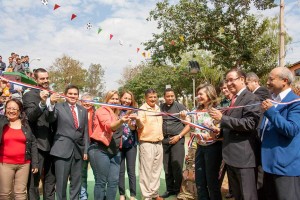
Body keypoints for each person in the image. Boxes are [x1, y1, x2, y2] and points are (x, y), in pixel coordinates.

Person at [209, 68, 261, 200]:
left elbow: (250, 123)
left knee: (247, 195)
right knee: (238, 195)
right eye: (227, 81)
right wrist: (219, 132)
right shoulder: (234, 100)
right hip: (231, 157)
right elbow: (232, 124)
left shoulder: (251, 98)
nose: (228, 84)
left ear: (242, 80)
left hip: (244, 158)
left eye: (231, 80)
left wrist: (222, 118)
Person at [260, 67, 300, 200]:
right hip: (269, 164)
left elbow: (291, 129)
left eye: (271, 79)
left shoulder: (295, 102)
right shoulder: (272, 100)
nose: (267, 82)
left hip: (285, 167)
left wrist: (271, 112)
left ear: (284, 81)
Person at [88, 90, 135, 200]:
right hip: (100, 149)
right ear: (107, 100)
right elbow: (109, 127)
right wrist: (121, 121)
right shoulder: (101, 110)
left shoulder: (117, 113)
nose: (115, 101)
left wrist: (125, 117)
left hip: (115, 151)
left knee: (113, 182)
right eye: (112, 98)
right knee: (101, 182)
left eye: (116, 99)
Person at [46, 85, 89, 200]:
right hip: (62, 151)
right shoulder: (58, 107)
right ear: (65, 95)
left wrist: (85, 149)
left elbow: (85, 132)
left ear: (78, 96)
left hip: (78, 152)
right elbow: (51, 118)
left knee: (76, 183)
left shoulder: (83, 110)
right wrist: (51, 103)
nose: (73, 96)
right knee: (61, 184)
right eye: (70, 93)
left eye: (75, 94)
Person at [23, 68, 57, 200]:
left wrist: (52, 103)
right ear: (35, 80)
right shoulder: (29, 95)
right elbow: (31, 117)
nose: (46, 81)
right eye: (42, 79)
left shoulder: (52, 94)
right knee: (34, 183)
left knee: (50, 181)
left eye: (47, 78)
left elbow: (52, 119)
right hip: (36, 145)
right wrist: (42, 103)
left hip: (52, 145)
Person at [185, 84, 223, 200]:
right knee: (200, 181)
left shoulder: (217, 111)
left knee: (211, 181)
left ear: (209, 94)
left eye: (201, 94)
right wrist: (185, 118)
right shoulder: (195, 110)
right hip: (200, 147)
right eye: (198, 94)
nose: (198, 97)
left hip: (213, 148)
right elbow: (191, 126)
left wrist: (210, 135)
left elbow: (219, 130)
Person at [0, 99, 38, 199]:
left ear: (20, 111)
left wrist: (35, 163)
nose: (11, 111)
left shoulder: (26, 125)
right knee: (4, 194)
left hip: (24, 165)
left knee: (21, 193)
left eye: (14, 109)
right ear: (5, 109)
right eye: (9, 108)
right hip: (5, 164)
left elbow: (33, 143)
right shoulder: (1, 122)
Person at [159, 88, 190, 198]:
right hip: (164, 140)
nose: (170, 98)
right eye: (168, 96)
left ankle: (178, 190)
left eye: (172, 96)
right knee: (167, 166)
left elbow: (188, 125)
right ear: (164, 97)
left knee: (176, 165)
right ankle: (169, 189)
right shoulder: (160, 107)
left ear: (175, 96)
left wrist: (179, 136)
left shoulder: (180, 108)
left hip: (177, 139)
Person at [137, 88, 164, 200]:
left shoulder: (158, 108)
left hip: (159, 143)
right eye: (150, 97)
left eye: (155, 97)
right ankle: (147, 196)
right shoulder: (142, 109)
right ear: (146, 98)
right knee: (146, 171)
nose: (153, 99)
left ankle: (154, 193)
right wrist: (137, 120)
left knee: (156, 170)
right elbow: (140, 126)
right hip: (147, 143)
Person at [118, 91, 139, 200]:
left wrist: (132, 124)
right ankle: (122, 194)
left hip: (131, 144)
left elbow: (133, 128)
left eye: (129, 99)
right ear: (121, 98)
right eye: (125, 98)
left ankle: (132, 194)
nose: (127, 100)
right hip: (119, 145)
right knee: (120, 171)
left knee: (131, 170)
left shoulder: (134, 111)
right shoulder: (115, 110)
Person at [218, 80, 233, 199]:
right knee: (223, 166)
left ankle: (232, 190)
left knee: (232, 167)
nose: (224, 90)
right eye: (222, 88)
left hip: (234, 139)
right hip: (222, 138)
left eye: (226, 88)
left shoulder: (237, 101)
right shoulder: (221, 103)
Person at [79, 93, 96, 200]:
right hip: (81, 146)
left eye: (89, 101)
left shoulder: (97, 113)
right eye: (84, 101)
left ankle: (99, 196)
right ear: (81, 102)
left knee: (98, 174)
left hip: (95, 146)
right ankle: (83, 196)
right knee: (82, 173)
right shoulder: (77, 112)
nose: (87, 103)